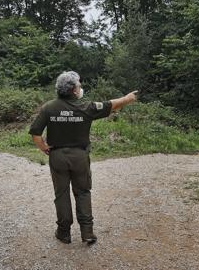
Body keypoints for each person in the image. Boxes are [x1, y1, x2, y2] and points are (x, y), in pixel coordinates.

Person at [29, 71, 138, 245]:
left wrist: (44, 148)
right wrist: (127, 98)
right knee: (83, 192)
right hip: (80, 156)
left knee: (61, 194)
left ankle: (64, 233)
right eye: (79, 85)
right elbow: (111, 105)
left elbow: (35, 134)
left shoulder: (48, 107)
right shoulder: (86, 107)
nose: (80, 87)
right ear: (73, 90)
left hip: (57, 156)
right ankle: (87, 232)